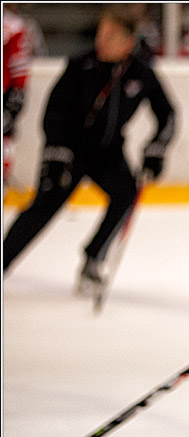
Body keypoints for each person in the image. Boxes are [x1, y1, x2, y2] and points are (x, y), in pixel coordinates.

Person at [2, 5, 175, 291]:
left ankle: (93, 259)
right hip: (69, 151)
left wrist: (157, 147)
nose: (101, 41)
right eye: (100, 33)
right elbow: (54, 111)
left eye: (110, 35)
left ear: (128, 42)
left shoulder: (140, 72)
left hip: (107, 153)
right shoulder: (80, 65)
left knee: (125, 194)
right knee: (42, 208)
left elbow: (168, 114)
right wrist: (55, 151)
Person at [3, 4, 32, 193]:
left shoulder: (14, 27)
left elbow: (19, 66)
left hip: (5, 94)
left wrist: (16, 95)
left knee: (5, 139)